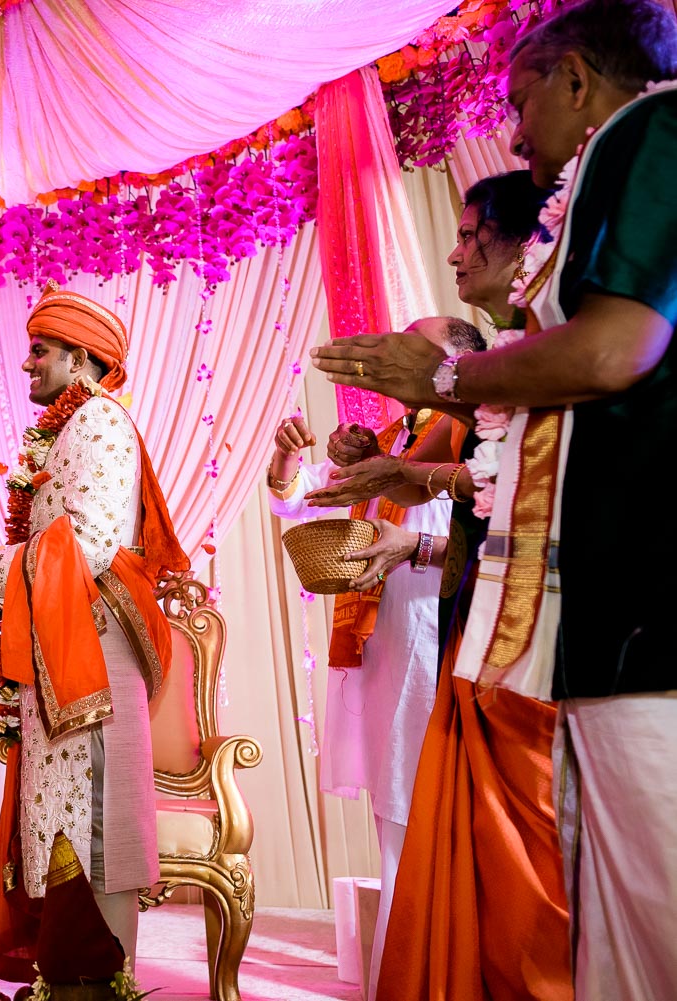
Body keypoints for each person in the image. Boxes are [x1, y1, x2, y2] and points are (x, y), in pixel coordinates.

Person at [314, 3, 677, 991]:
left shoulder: (654, 127)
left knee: (650, 921)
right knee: (614, 931)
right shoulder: (613, 160)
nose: (513, 134)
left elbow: (613, 351)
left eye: (520, 101)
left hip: (645, 612)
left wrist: (438, 381)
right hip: (605, 623)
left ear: (575, 81)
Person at [264, 315, 481, 1001]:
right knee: (397, 828)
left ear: (454, 363)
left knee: (423, 824)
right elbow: (300, 508)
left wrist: (412, 547)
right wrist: (287, 461)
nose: (392, 357)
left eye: (411, 347)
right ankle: (406, 974)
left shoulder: (481, 435)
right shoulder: (392, 439)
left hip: (437, 639)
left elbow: (500, 544)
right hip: (387, 646)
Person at [0, 287, 189, 985]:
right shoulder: (70, 428)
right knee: (63, 817)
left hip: (90, 659)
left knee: (92, 825)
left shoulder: (99, 421)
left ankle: (97, 985)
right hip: (65, 650)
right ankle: (68, 981)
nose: (26, 362)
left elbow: (93, 544)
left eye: (41, 349)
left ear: (80, 357)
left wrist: (6, 566)